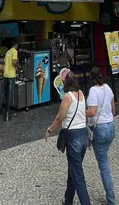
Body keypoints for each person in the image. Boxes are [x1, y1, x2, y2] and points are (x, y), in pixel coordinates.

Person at [45, 71, 90, 205]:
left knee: (78, 175)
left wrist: (50, 130)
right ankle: (68, 199)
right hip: (83, 135)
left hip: (73, 136)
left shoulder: (67, 97)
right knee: (74, 169)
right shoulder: (81, 93)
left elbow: (60, 117)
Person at [86, 67, 116, 205]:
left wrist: (81, 111)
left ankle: (111, 200)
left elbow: (92, 111)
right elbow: (113, 106)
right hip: (110, 126)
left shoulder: (93, 90)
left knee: (103, 164)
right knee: (104, 159)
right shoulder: (108, 88)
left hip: (101, 128)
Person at [0, 40, 18, 121]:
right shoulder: (15, 51)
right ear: (16, 45)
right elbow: (14, 62)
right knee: (10, 94)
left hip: (5, 75)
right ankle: (7, 114)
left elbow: (4, 62)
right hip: (11, 75)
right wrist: (18, 66)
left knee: (3, 92)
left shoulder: (7, 52)